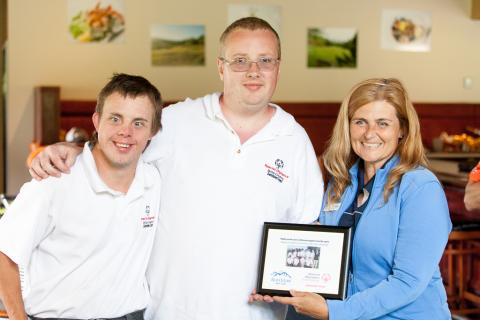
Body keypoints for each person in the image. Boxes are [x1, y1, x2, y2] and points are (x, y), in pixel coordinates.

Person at [28, 17, 324, 320]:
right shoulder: (177, 121)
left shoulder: (294, 140)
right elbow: (119, 151)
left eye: (265, 60)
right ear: (221, 67)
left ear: (278, 66)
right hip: (167, 311)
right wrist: (76, 150)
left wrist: (287, 285)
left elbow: (308, 231)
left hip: (256, 314)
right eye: (240, 60)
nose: (253, 71)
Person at [253, 78, 452, 319]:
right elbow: (324, 253)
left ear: (402, 130)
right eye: (360, 122)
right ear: (347, 127)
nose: (370, 133)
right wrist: (277, 283)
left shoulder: (420, 188)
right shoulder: (342, 182)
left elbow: (407, 283)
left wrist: (334, 311)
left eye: (383, 123)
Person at [0, 74, 163, 320]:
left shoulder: (154, 181)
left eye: (138, 123)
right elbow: (3, 253)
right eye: (115, 119)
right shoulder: (53, 181)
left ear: (153, 131)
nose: (125, 132)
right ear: (97, 121)